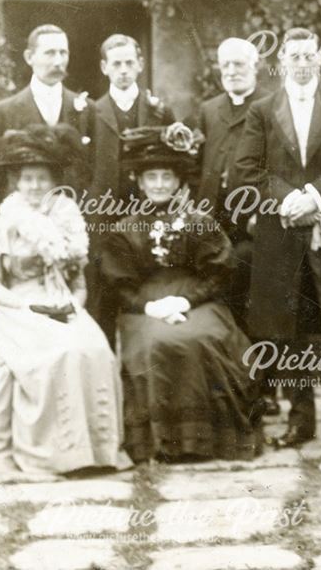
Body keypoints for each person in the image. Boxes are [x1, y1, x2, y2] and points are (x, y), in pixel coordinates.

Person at [232, 27, 321, 452]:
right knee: (288, 328)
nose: (302, 62)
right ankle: (301, 420)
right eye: (294, 55)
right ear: (284, 61)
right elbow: (247, 169)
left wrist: (314, 196)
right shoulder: (262, 110)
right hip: (281, 233)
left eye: (309, 55)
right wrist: (289, 198)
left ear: (319, 59)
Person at [0, 124, 130, 474]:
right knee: (58, 355)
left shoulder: (68, 221)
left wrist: (76, 305)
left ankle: (97, 452)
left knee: (94, 348)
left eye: (42, 179)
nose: (35, 187)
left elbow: (79, 283)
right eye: (27, 179)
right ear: (16, 182)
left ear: (54, 181)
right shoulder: (2, 224)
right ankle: (56, 454)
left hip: (61, 303)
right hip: (17, 309)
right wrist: (21, 306)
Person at [102, 123, 262, 461]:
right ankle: (162, 442)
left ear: (177, 182)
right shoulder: (125, 229)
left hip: (197, 298)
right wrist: (150, 308)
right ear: (141, 183)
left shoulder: (198, 221)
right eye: (152, 177)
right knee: (155, 343)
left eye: (166, 177)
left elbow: (220, 274)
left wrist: (187, 300)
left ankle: (209, 440)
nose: (159, 184)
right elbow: (120, 285)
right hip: (144, 305)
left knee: (202, 337)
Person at [87, 34, 174, 347]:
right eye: (116, 64)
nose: (123, 70)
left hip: (147, 217)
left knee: (147, 294)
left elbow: (173, 165)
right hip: (104, 220)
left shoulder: (159, 111)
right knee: (103, 298)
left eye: (129, 63)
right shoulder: (90, 112)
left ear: (139, 65)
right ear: (104, 68)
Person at [193, 37, 268, 332]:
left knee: (250, 286)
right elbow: (195, 163)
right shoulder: (208, 110)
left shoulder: (270, 105)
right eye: (226, 65)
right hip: (213, 215)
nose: (232, 71)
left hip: (252, 217)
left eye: (239, 64)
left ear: (255, 67)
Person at [0, 24, 94, 209]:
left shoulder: (87, 109)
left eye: (63, 53)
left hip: (73, 216)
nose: (58, 61)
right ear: (29, 57)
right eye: (50, 53)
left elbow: (94, 171)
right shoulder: (3, 112)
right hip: (22, 221)